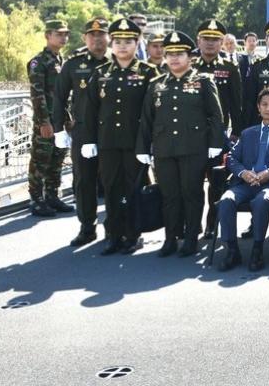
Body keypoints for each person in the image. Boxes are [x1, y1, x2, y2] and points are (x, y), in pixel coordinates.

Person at [136, 31, 227, 257]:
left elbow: (216, 115)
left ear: (189, 57)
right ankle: (170, 238)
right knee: (169, 195)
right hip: (165, 148)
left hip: (193, 147)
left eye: (179, 54)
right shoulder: (157, 84)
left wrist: (215, 143)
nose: (174, 58)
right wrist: (143, 148)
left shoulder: (203, 81)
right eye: (170, 54)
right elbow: (147, 118)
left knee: (191, 193)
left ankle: (190, 238)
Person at [86, 17, 159, 253]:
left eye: (128, 41)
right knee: (111, 187)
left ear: (137, 43)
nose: (122, 46)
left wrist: (151, 143)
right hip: (108, 142)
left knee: (133, 189)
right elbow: (90, 110)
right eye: (118, 41)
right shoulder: (101, 73)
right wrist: (89, 140)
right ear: (112, 44)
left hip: (135, 143)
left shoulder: (148, 72)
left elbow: (153, 112)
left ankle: (133, 233)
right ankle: (113, 234)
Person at [216, 85, 269, 270]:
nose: (268, 108)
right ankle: (232, 250)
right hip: (246, 183)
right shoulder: (248, 133)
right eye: (264, 104)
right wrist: (243, 173)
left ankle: (257, 250)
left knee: (263, 200)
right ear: (258, 107)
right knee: (226, 199)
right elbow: (232, 158)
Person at [53, 13, 110, 243]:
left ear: (108, 38)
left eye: (101, 34)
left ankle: (115, 227)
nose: (97, 39)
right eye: (92, 35)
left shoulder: (117, 63)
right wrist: (58, 129)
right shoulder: (74, 64)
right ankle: (87, 227)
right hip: (84, 131)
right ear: (85, 38)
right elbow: (59, 97)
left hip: (112, 132)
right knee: (84, 181)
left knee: (114, 181)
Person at [194, 18, 244, 239]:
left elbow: (237, 103)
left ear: (222, 42)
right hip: (192, 134)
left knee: (216, 183)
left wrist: (236, 133)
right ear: (199, 40)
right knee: (192, 183)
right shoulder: (190, 66)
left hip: (218, 135)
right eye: (206, 38)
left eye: (215, 39)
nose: (210, 43)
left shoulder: (229, 67)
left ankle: (211, 224)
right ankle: (192, 224)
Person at [26, 16, 71, 215]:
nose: (63, 38)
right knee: (40, 160)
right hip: (46, 121)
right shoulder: (39, 62)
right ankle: (36, 200)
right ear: (47, 36)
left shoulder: (62, 61)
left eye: (66, 34)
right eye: (59, 34)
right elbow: (37, 94)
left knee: (57, 159)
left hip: (60, 121)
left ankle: (52, 196)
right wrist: (44, 122)